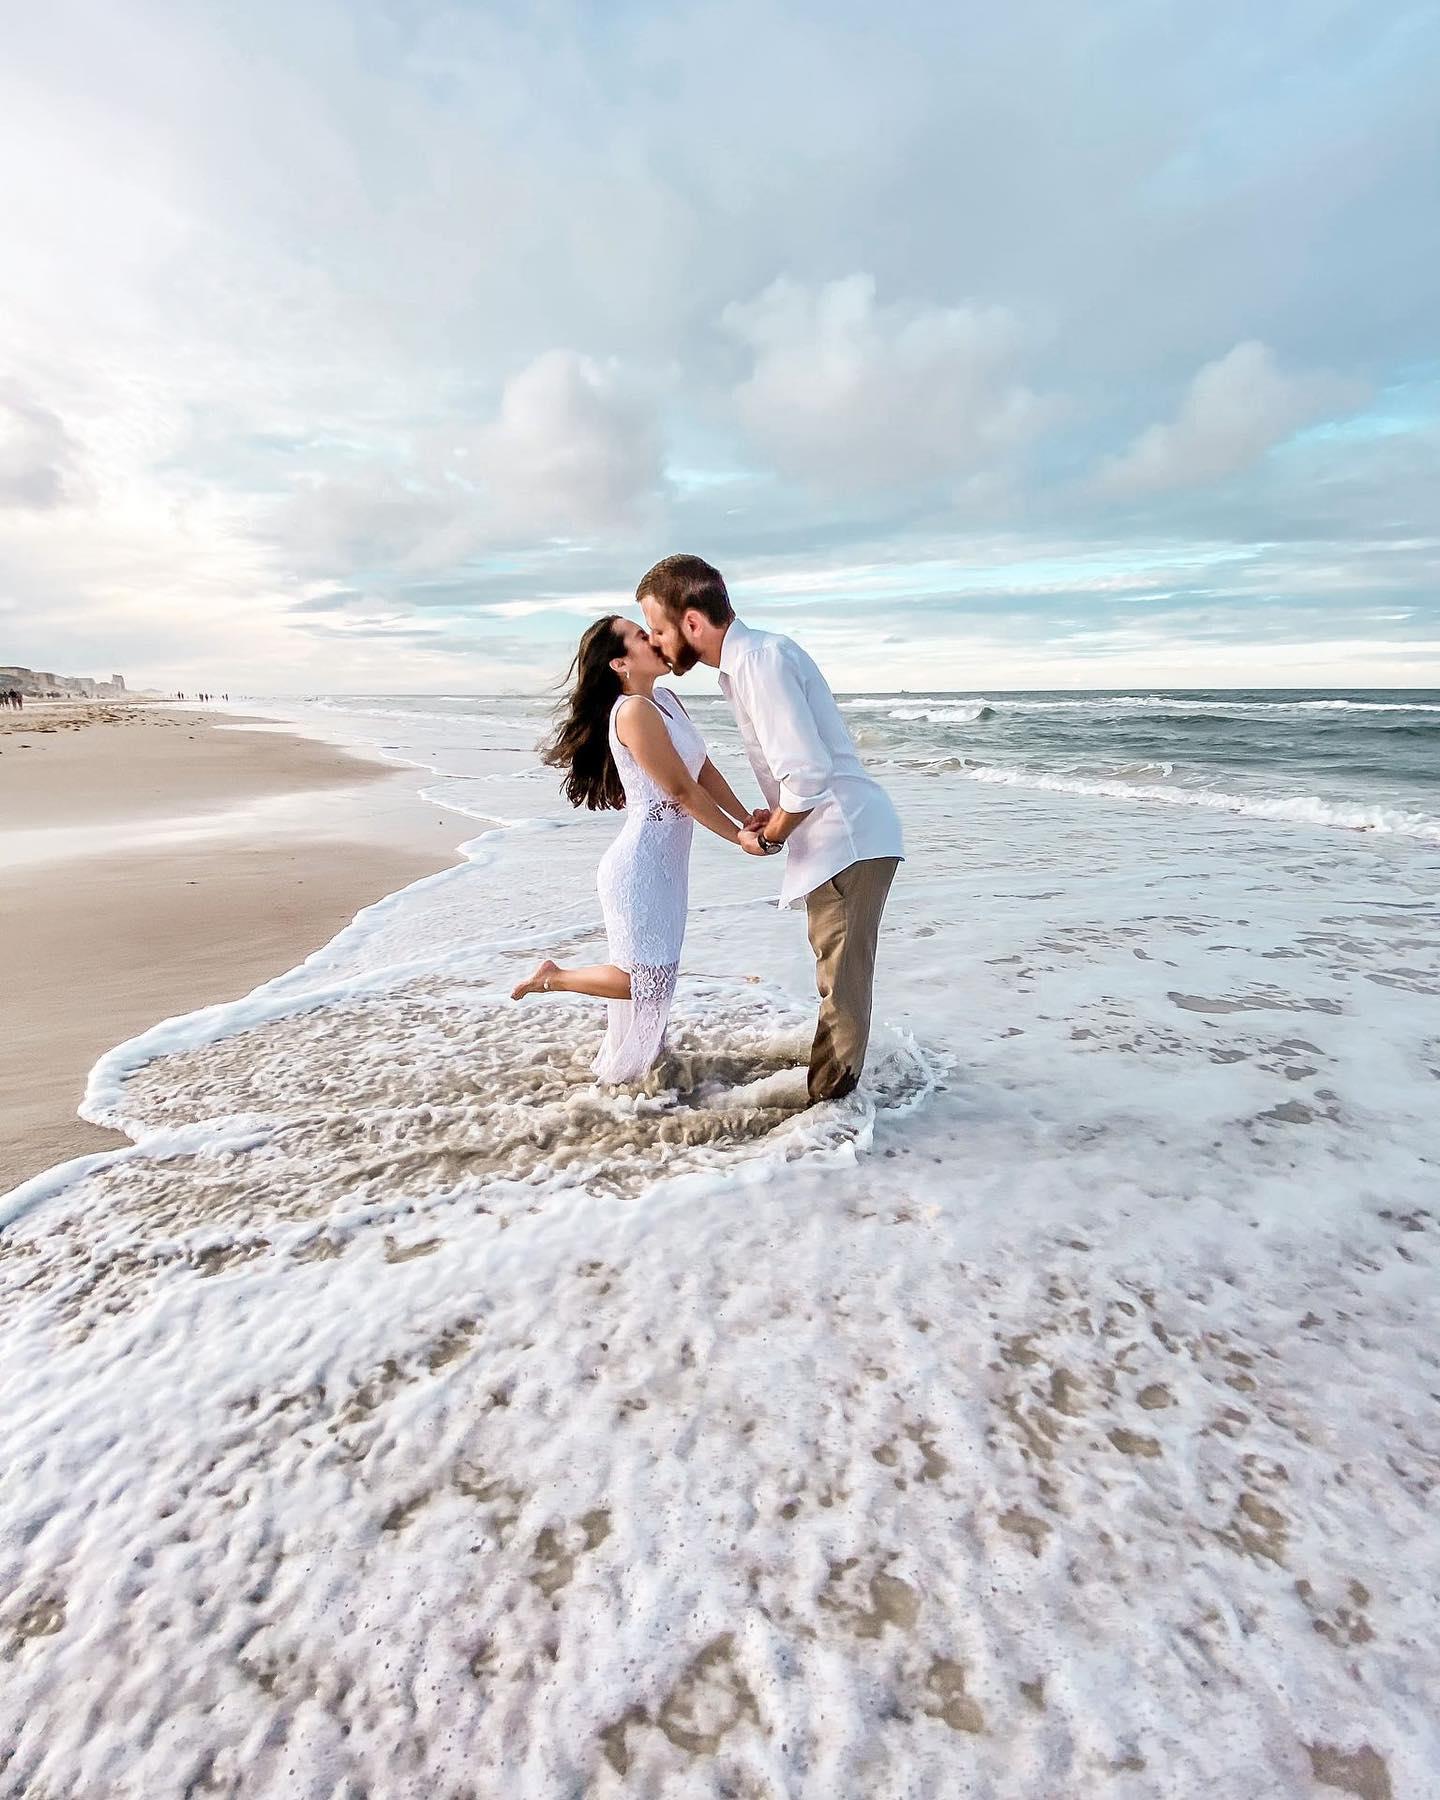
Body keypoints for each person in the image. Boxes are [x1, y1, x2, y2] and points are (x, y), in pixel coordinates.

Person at [640, 554, 904, 1103]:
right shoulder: (749, 664)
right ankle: (834, 1106)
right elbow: (801, 769)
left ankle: (831, 1121)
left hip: (846, 839)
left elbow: (807, 771)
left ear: (692, 623)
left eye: (660, 628)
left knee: (843, 989)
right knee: (839, 982)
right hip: (836, 838)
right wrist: (776, 813)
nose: (655, 641)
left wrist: (771, 834)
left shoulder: (760, 660)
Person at [511, 614, 762, 1083]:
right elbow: (680, 792)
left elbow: (702, 770)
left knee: (658, 976)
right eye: (642, 636)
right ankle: (554, 977)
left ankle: (643, 1074)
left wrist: (746, 816)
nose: (656, 639)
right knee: (645, 981)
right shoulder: (632, 712)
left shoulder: (665, 700)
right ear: (620, 663)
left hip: (667, 869)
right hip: (640, 868)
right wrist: (738, 839)